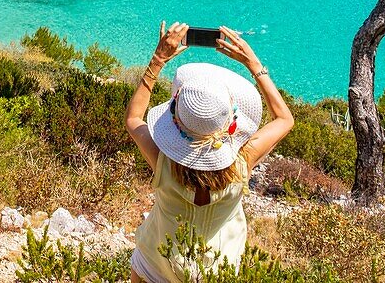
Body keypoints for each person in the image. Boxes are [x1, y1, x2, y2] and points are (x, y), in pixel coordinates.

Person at [126, 23, 294, 281]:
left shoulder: (163, 161)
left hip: (156, 264)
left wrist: (158, 59)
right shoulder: (241, 162)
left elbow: (134, 118)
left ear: (176, 119)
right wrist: (253, 64)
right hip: (215, 272)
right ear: (228, 121)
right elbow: (284, 119)